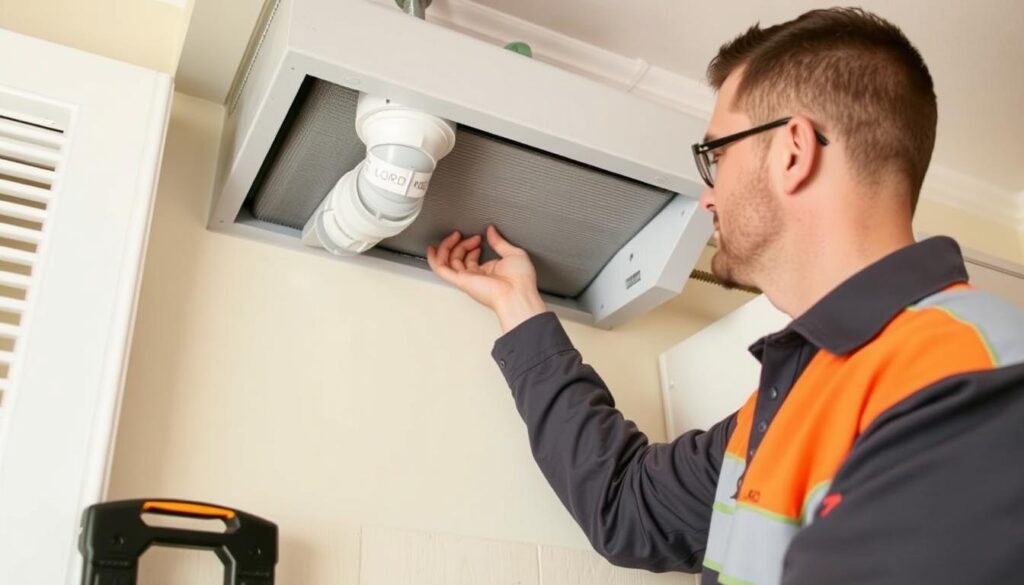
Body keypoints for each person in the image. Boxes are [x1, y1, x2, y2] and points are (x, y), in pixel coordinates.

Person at [426, 7, 1024, 585]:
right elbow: (628, 506)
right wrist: (519, 307)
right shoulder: (790, 399)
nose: (707, 196)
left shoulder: (974, 376)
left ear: (793, 152)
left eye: (718, 155)